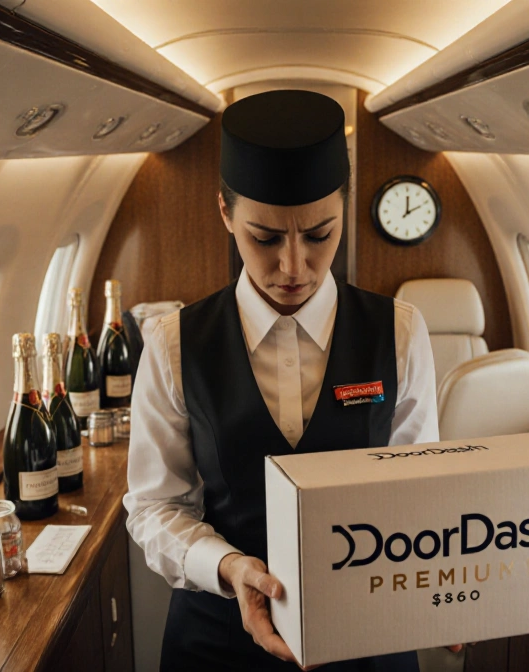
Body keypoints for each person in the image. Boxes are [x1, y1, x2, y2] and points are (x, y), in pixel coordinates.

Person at [123, 89, 443, 671]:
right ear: (225, 213)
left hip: (368, 636)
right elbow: (154, 508)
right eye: (264, 238)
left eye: (319, 234)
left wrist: (447, 592)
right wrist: (230, 567)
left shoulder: (399, 331)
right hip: (219, 642)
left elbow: (416, 493)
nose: (293, 267)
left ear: (344, 209)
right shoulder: (172, 344)